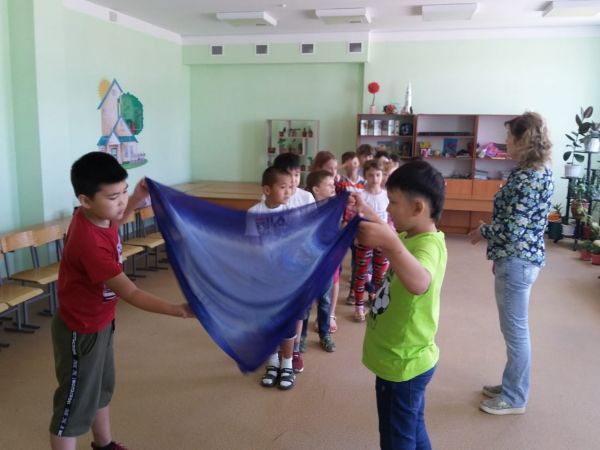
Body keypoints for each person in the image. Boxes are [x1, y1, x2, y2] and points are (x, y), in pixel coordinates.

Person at [50, 152, 193, 450]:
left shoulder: (97, 216)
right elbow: (132, 293)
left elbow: (116, 220)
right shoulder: (90, 244)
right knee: (73, 407)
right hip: (81, 329)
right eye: (114, 196)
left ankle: (104, 445)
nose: (121, 202)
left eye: (124, 191)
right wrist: (177, 310)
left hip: (101, 321)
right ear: (85, 200)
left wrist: (136, 197)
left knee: (100, 389)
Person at [356, 159, 447, 450]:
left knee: (397, 439)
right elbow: (394, 237)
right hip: (402, 359)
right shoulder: (411, 234)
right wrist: (368, 212)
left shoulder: (428, 245)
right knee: (412, 427)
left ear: (418, 208)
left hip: (403, 363)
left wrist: (390, 244)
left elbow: (420, 282)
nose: (388, 208)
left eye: (393, 202)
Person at [468, 112, 553, 415]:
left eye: (509, 137)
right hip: (518, 257)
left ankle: (515, 397)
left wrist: (483, 232)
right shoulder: (533, 171)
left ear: (522, 140)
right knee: (514, 330)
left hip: (518, 260)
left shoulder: (529, 178)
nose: (505, 142)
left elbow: (514, 229)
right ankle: (511, 384)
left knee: (516, 331)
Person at [249, 166, 300, 390]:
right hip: (262, 279)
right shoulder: (254, 213)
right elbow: (252, 246)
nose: (288, 191)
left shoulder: (292, 213)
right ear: (267, 189)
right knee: (267, 322)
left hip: (286, 278)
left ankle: (287, 363)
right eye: (283, 187)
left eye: (290, 187)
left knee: (287, 321)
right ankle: (272, 362)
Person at [271, 153, 315, 374]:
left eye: (297, 175)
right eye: (289, 176)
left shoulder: (306, 197)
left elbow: (315, 226)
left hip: (300, 265)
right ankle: (277, 349)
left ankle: (294, 349)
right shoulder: (271, 198)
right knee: (278, 309)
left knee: (299, 311)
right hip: (277, 268)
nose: (294, 181)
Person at [300, 170, 338, 353]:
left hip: (326, 263)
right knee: (306, 303)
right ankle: (302, 336)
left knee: (324, 300)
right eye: (329, 184)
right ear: (316, 189)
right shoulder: (306, 210)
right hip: (308, 265)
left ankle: (325, 333)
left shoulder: (333, 208)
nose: (333, 187)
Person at [351, 160, 390, 322]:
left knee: (380, 274)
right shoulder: (361, 195)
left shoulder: (386, 195)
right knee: (361, 273)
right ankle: (359, 307)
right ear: (365, 176)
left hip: (382, 239)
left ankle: (377, 302)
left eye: (378, 175)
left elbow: (389, 218)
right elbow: (355, 218)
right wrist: (355, 236)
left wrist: (391, 234)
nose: (375, 179)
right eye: (371, 175)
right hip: (365, 238)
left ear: (383, 175)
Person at [308, 151, 342, 334]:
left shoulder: (334, 203)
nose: (334, 173)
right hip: (313, 256)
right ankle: (303, 332)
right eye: (330, 169)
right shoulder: (308, 205)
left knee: (332, 284)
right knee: (313, 290)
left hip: (330, 253)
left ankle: (329, 317)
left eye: (336, 169)